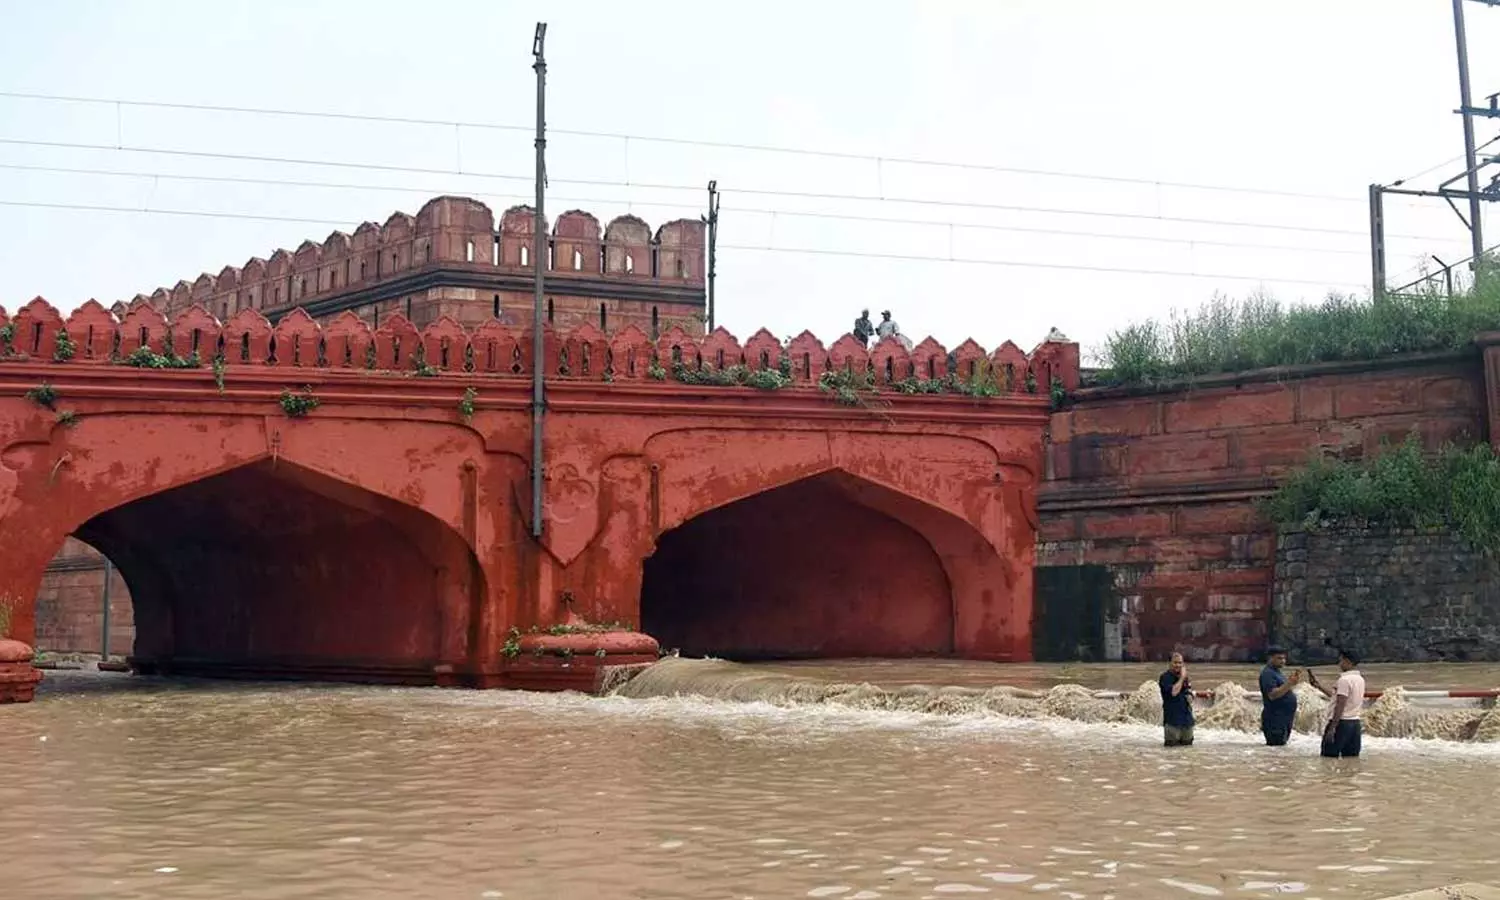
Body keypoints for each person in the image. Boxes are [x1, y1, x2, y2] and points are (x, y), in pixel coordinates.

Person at [1308, 649, 1365, 758]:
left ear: (1347, 661)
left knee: (1328, 759)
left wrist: (1333, 728)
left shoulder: (1344, 680)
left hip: (1341, 724)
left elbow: (1340, 704)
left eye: (1341, 661)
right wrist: (1318, 686)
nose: (1339, 664)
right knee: (1350, 760)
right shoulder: (1360, 679)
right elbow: (1337, 697)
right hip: (1355, 724)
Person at [1258, 646, 1301, 746]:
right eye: (1279, 658)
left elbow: (1283, 691)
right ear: (1270, 658)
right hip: (1275, 718)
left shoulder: (1277, 673)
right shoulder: (1267, 674)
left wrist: (1291, 682)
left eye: (1284, 658)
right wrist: (1289, 683)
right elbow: (1272, 695)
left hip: (1283, 718)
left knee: (1279, 750)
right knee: (1275, 748)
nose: (1283, 661)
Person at [1158, 652, 1194, 747]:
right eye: (1175, 662)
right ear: (1170, 663)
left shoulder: (1185, 678)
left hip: (1187, 721)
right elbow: (1174, 692)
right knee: (1171, 754)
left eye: (1180, 663)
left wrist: (1190, 695)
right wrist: (1182, 678)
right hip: (1172, 722)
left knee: (1188, 752)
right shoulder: (1165, 677)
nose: (1178, 665)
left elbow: (1189, 694)